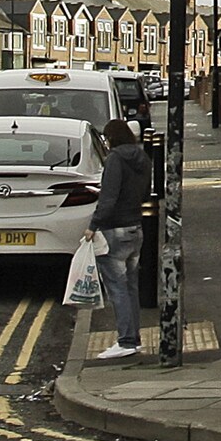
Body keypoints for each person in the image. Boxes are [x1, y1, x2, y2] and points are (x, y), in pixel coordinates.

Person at [89, 117, 151, 363]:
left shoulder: (115, 159)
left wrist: (93, 226)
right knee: (131, 287)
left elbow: (109, 196)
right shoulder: (142, 157)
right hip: (135, 227)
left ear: (111, 138)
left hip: (115, 229)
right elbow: (146, 192)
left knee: (117, 288)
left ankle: (126, 341)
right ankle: (133, 338)